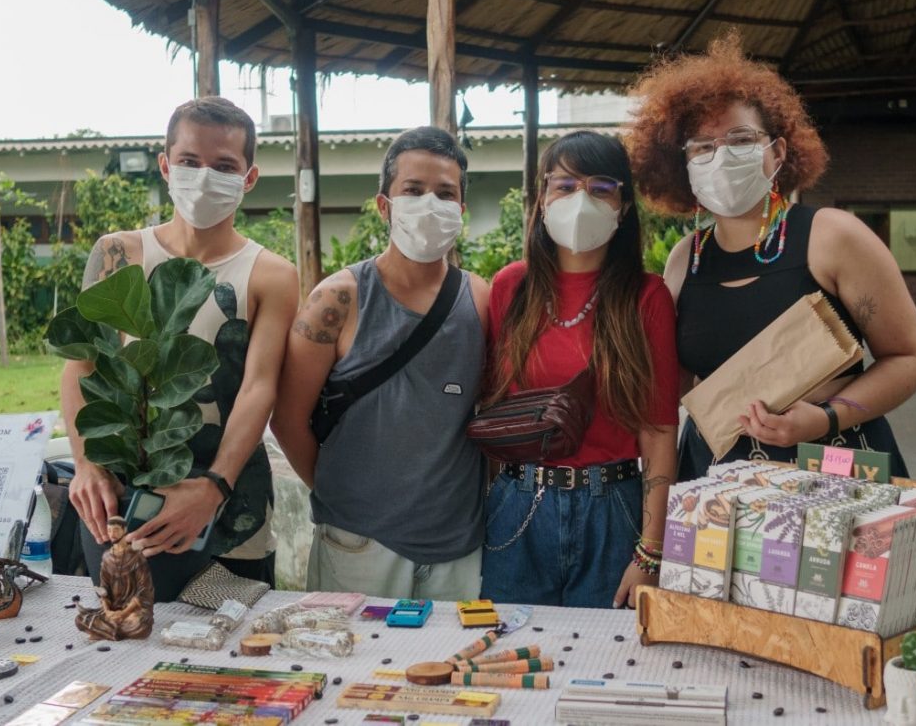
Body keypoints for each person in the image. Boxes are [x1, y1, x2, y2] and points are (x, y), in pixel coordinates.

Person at [624, 32, 916, 479]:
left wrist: (826, 417)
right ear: (683, 165)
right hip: (714, 480)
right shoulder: (685, 259)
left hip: (830, 471)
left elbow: (909, 358)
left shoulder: (833, 236)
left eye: (740, 139)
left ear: (778, 152)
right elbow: (673, 384)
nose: (722, 157)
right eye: (703, 147)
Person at [62, 97, 298, 601]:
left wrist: (213, 487)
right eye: (190, 161)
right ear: (166, 165)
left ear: (249, 178)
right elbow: (82, 363)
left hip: (229, 504)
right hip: (122, 497)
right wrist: (86, 464)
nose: (204, 177)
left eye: (224, 166)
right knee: (125, 625)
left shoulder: (272, 275)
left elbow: (259, 388)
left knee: (234, 636)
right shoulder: (117, 253)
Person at [271, 126, 489, 602]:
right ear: (384, 205)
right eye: (413, 190)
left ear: (461, 210)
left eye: (445, 193)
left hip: (458, 545)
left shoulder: (480, 300)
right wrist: (341, 497)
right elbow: (286, 418)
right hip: (358, 544)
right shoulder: (337, 300)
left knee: (454, 654)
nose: (429, 204)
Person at [480, 131, 679, 609]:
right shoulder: (511, 287)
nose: (581, 199)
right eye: (565, 186)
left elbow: (658, 432)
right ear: (542, 198)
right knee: (509, 645)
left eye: (600, 187)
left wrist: (651, 552)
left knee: (607, 650)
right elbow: (492, 406)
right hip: (517, 506)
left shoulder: (646, 297)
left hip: (612, 510)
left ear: (623, 206)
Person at [75, 516, 155, 641]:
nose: (112, 534)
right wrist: (107, 611)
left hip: (132, 610)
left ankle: (105, 630)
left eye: (116, 530)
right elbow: (104, 589)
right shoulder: (107, 557)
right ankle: (114, 629)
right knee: (80, 619)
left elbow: (144, 590)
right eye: (109, 530)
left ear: (124, 530)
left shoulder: (137, 557)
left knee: (141, 623)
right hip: (113, 608)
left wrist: (124, 613)